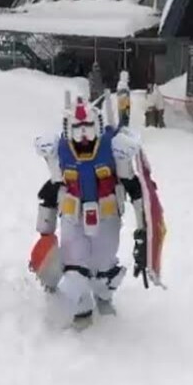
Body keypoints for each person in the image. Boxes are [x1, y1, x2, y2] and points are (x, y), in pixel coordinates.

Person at [34, 96, 147, 329]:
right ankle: (81, 308)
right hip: (72, 215)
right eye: (77, 127)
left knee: (104, 266)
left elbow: (134, 187)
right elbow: (51, 190)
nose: (83, 133)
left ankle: (104, 296)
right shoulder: (60, 151)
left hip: (107, 215)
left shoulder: (114, 147)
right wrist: (45, 232)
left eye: (87, 126)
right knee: (74, 267)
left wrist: (144, 230)